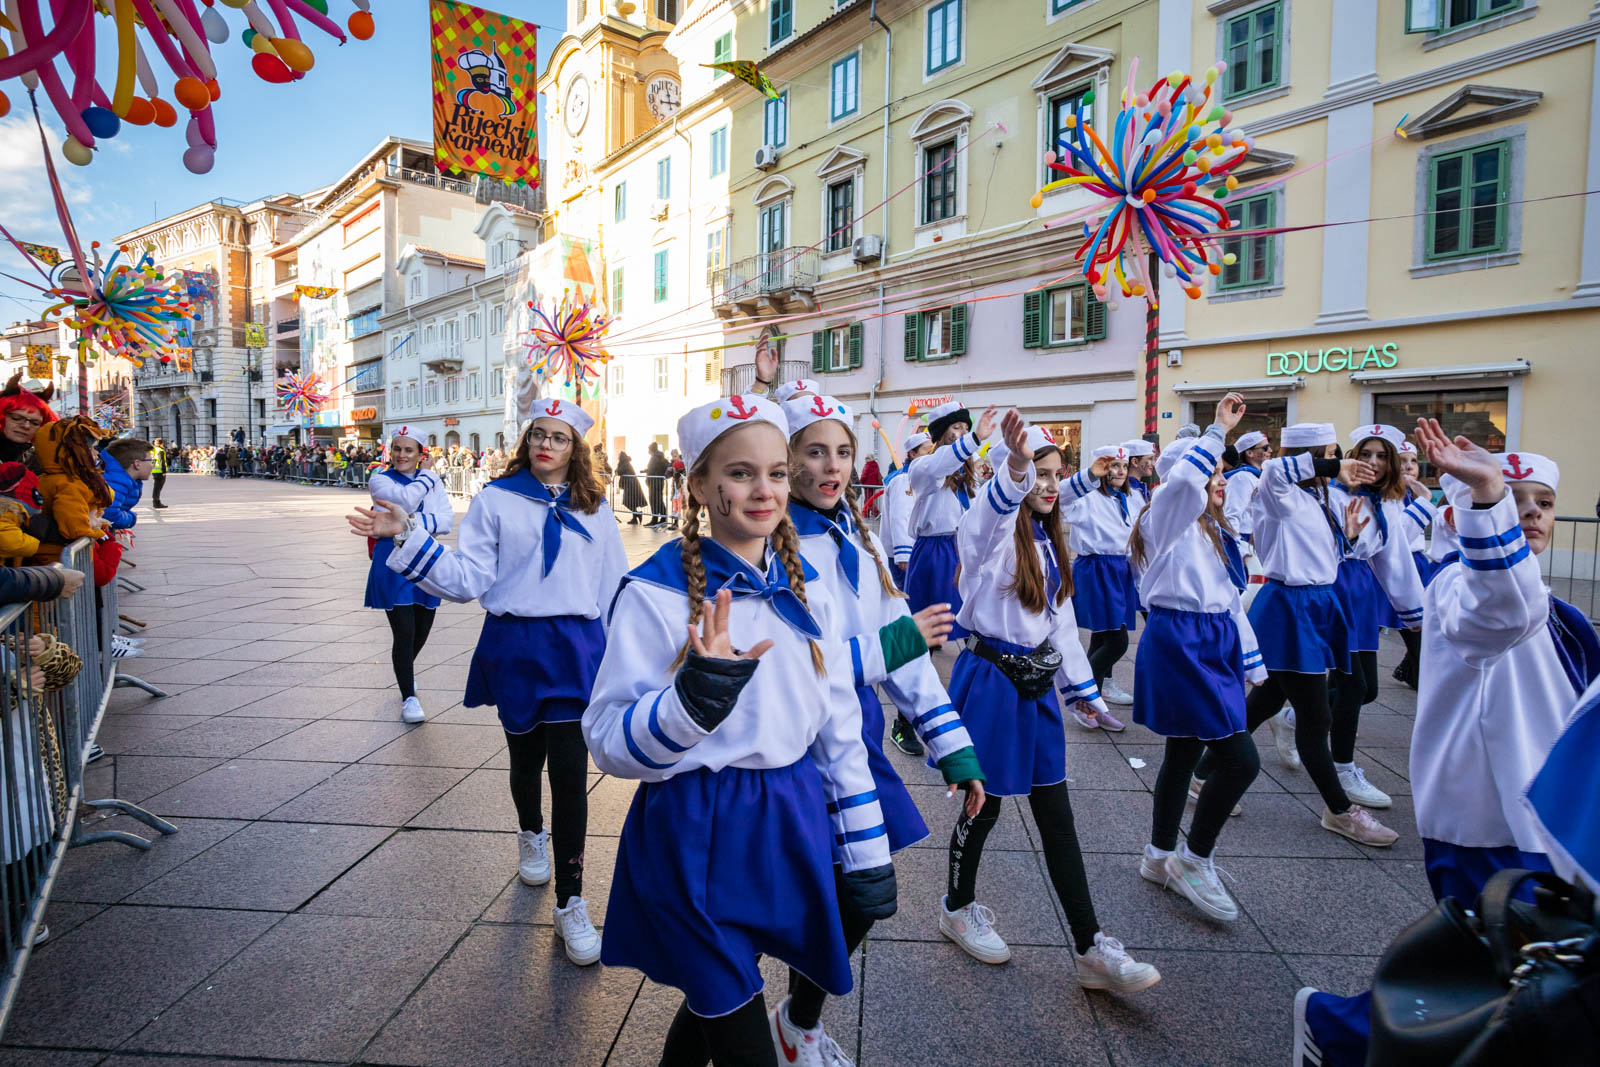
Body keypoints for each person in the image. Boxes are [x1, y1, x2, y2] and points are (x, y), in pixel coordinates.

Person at [585, 392, 895, 1065]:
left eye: (777, 472)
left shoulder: (810, 582)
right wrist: (689, 704)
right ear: (697, 483)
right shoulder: (653, 591)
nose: (765, 489)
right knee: (737, 1029)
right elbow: (606, 735)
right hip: (693, 831)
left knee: (712, 1009)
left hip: (785, 821)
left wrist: (866, 847)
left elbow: (837, 722)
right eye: (740, 472)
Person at [1292, 428, 1600, 1067]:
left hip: (1543, 826)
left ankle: (1339, 1029)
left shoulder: (1549, 603)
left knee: (1502, 981)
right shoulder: (1463, 585)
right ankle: (1337, 1029)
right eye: (1515, 499)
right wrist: (1487, 499)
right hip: (1489, 826)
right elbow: (1505, 612)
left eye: (1542, 501)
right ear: (1470, 512)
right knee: (1499, 979)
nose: (1532, 512)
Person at [350, 400, 626, 967]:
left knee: (572, 774)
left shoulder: (595, 507)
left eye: (560, 438)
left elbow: (613, 585)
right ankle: (531, 833)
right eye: (538, 435)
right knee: (525, 761)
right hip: (517, 646)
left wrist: (628, 655)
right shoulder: (496, 500)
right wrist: (405, 539)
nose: (546, 445)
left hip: (577, 647)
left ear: (577, 449)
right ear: (526, 441)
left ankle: (572, 902)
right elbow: (468, 578)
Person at [775, 392, 984, 1064]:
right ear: (784, 457)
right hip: (783, 746)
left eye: (841, 452)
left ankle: (796, 1017)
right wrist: (887, 649)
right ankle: (741, 1020)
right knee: (784, 894)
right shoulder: (765, 541)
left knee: (860, 895)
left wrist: (953, 749)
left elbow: (904, 648)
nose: (832, 466)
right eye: (814, 451)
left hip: (854, 739)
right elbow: (791, 662)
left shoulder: (854, 540)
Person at [937, 410, 1158, 993]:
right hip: (989, 684)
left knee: (1056, 816)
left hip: (1034, 689)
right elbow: (992, 511)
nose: (1049, 484)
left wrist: (1084, 694)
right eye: (1039, 473)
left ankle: (1090, 947)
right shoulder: (983, 531)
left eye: (1057, 474)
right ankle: (957, 905)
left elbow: (1062, 628)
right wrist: (1013, 465)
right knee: (984, 808)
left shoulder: (1050, 539)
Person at [1191, 423, 1400, 847]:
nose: (1342, 459)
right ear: (1314, 455)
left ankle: (1200, 773)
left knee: (1267, 701)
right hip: (1291, 607)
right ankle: (1339, 810)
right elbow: (1276, 472)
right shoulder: (1281, 490)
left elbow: (1321, 551)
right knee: (1315, 716)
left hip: (1315, 604)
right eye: (1330, 452)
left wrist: (1350, 535)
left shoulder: (1315, 496)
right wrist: (1333, 465)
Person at [1128, 396, 1265, 922]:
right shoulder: (1167, 514)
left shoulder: (1213, 527)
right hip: (1182, 641)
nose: (1221, 483)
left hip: (1210, 639)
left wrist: (1250, 663)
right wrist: (1217, 432)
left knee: (1183, 754)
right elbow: (1185, 483)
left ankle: (1159, 854)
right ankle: (1194, 859)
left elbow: (1228, 599)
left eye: (1222, 477)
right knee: (1240, 760)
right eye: (1214, 478)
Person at [1325, 425, 1425, 810]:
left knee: (1367, 690)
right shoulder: (1334, 494)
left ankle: (1299, 717)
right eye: (1365, 454)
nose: (1372, 463)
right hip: (1334, 587)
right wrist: (1346, 539)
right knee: (1351, 688)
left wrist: (1413, 612)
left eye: (1382, 457)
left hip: (1361, 592)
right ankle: (1343, 767)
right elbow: (1314, 547)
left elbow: (1393, 556)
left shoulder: (1387, 501)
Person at [362, 428, 454, 724]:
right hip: (392, 560)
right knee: (404, 632)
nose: (401, 455)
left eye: (409, 450)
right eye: (397, 449)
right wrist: (427, 478)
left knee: (421, 631)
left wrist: (408, 524)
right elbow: (406, 500)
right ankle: (409, 697)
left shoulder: (433, 482)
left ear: (420, 454)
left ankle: (405, 671)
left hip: (426, 559)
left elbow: (446, 521)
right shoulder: (380, 479)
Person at [905, 400, 996, 644]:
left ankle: (970, 673)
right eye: (956, 427)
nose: (963, 434)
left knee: (971, 619)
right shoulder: (923, 466)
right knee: (933, 625)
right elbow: (942, 463)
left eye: (966, 428)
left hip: (963, 547)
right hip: (935, 551)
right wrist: (974, 439)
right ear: (942, 432)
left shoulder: (968, 473)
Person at [1062, 445, 1140, 718]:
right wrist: (1088, 476)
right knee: (1116, 641)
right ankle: (1084, 699)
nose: (1119, 471)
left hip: (1119, 570)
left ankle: (1097, 695)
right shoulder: (1087, 498)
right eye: (1113, 465)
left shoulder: (1127, 499)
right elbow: (1062, 499)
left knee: (1102, 636)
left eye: (1123, 466)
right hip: (1097, 568)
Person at [879, 430, 933, 757]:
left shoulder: (934, 478)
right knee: (915, 639)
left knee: (930, 639)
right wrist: (904, 556)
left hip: (933, 561)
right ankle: (903, 724)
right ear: (913, 454)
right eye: (928, 450)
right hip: (908, 562)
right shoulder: (904, 481)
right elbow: (902, 518)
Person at [100, 438, 153, 531]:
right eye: (151, 461)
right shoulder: (117, 482)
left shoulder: (121, 479)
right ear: (137, 464)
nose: (153, 465)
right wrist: (132, 518)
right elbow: (110, 515)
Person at [615, 451, 646, 524]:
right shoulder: (624, 463)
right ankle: (635, 517)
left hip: (631, 485)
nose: (618, 457)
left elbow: (619, 471)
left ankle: (637, 515)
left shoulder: (625, 464)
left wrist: (617, 468)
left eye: (619, 456)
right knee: (630, 502)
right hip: (629, 484)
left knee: (627, 501)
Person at [1122, 439, 1155, 505]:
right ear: (1135, 462)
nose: (1153, 463)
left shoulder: (1138, 488)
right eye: (1150, 459)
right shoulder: (1127, 492)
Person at [646, 441, 669, 527]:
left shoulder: (654, 457)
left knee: (654, 501)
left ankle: (655, 519)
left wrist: (647, 476)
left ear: (651, 449)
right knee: (659, 500)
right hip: (659, 481)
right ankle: (663, 518)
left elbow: (651, 470)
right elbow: (666, 466)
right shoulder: (661, 456)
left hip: (654, 482)